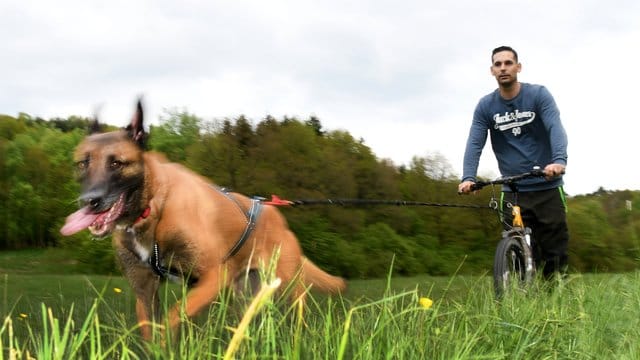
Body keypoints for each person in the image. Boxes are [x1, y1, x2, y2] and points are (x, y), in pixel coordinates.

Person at [458, 45, 569, 279]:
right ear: (492, 71)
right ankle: (520, 298)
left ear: (518, 67)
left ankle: (556, 299)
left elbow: (555, 127)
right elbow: (475, 143)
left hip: (546, 185)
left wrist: (558, 161)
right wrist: (468, 177)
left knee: (553, 256)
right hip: (513, 190)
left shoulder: (538, 95)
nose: (503, 68)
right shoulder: (486, 106)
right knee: (516, 250)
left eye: (508, 63)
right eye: (498, 64)